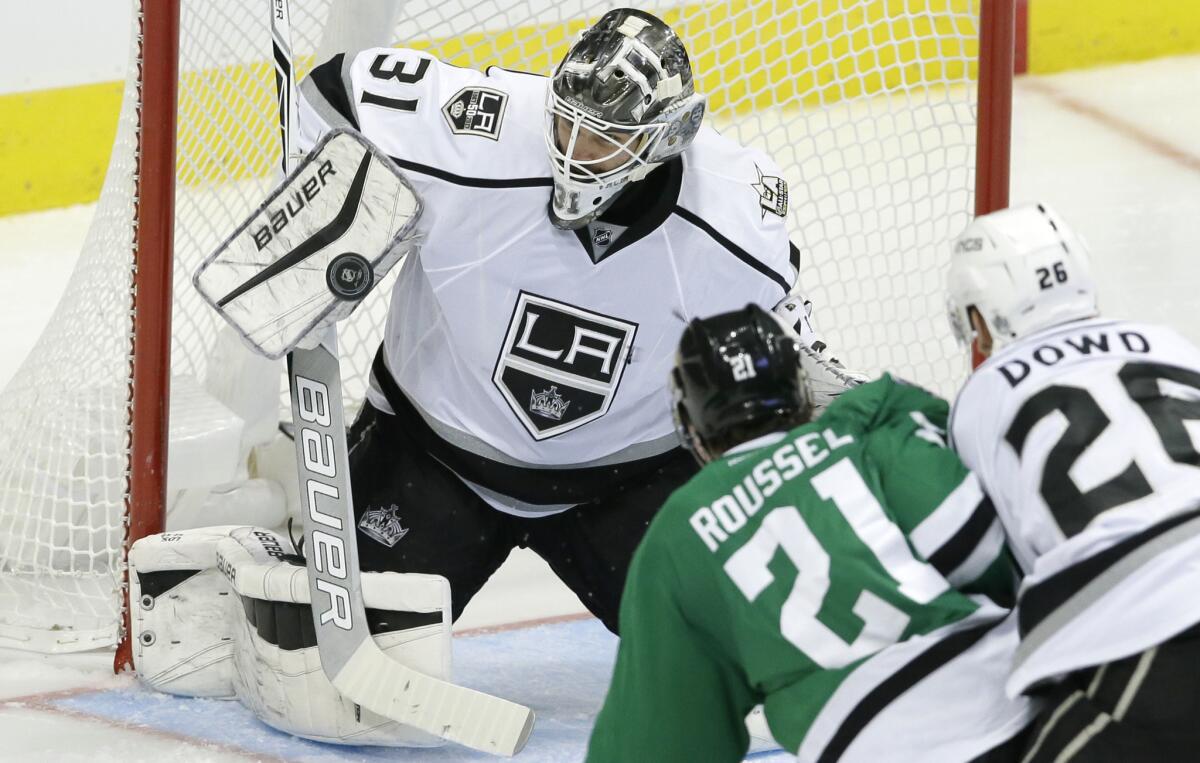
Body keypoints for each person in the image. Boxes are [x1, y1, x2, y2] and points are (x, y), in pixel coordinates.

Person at [293, 8, 854, 632]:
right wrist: (323, 218)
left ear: (668, 136)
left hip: (624, 485)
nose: (574, 153)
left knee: (745, 651)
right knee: (315, 641)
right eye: (566, 124)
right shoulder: (482, 131)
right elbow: (333, 92)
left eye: (604, 139)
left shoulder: (731, 218)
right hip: (432, 458)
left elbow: (775, 328)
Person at [586, 304, 1035, 762]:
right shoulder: (867, 440)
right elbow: (984, 548)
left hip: (871, 744)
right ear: (800, 389)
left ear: (691, 422)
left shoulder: (679, 531)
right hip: (1015, 703)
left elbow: (660, 741)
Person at [946, 202, 1200, 761]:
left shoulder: (979, 398)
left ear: (983, 312)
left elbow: (997, 566)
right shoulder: (1171, 342)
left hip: (1152, 622)